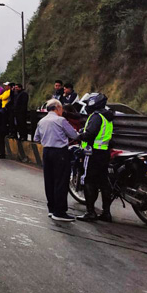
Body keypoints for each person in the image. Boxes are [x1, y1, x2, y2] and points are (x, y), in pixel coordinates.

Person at [34, 99, 79, 222]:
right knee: (61, 181)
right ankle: (59, 212)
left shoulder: (41, 121)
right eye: (61, 109)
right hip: (60, 153)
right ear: (57, 108)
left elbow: (36, 138)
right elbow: (74, 135)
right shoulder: (61, 120)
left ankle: (52, 209)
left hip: (47, 152)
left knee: (49, 181)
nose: (62, 111)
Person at [77, 93, 115, 223]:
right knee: (104, 183)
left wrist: (80, 135)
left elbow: (90, 134)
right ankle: (106, 213)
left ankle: (90, 212)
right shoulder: (107, 116)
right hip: (104, 153)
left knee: (89, 181)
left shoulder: (96, 116)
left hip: (92, 153)